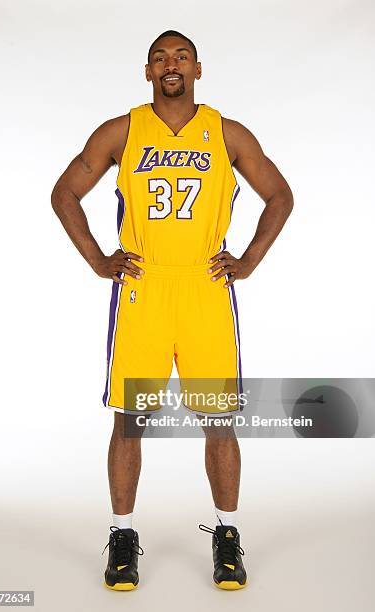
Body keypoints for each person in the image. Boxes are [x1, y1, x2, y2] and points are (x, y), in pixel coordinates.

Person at [51, 29, 293, 591]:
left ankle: (227, 536)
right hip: (144, 287)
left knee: (218, 419)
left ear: (198, 69)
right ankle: (122, 537)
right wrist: (96, 260)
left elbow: (280, 195)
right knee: (131, 420)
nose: (171, 64)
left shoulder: (226, 134)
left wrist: (251, 260)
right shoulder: (123, 131)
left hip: (206, 286)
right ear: (147, 71)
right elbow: (65, 193)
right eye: (160, 57)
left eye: (181, 56)